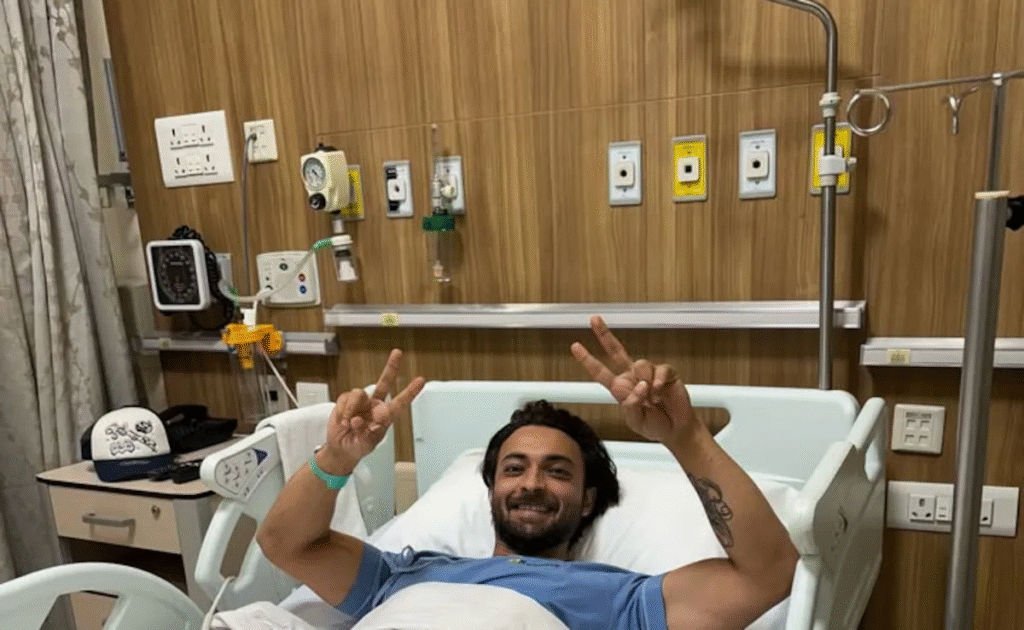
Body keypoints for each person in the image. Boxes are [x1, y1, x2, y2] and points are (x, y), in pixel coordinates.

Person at [256, 316, 799, 630]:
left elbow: (767, 576)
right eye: (514, 468)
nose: (532, 484)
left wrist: (687, 436)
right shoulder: (402, 574)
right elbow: (286, 544)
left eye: (557, 471)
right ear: (492, 488)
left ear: (588, 500)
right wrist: (338, 458)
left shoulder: (623, 600)